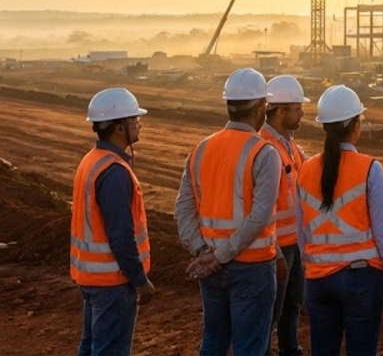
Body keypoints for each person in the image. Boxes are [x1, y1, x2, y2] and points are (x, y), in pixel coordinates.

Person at [175, 67, 281, 356]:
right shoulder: (264, 152)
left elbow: (182, 210)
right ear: (260, 107)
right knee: (250, 348)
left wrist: (203, 253)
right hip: (252, 268)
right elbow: (259, 217)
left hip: (211, 265)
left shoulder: (201, 149)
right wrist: (219, 257)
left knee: (213, 343)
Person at [296, 85, 383, 356]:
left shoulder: (306, 169)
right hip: (361, 279)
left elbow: (301, 231)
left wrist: (311, 269)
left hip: (318, 281)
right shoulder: (369, 168)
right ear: (355, 126)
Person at [72, 87, 156, 356]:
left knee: (91, 346)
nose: (139, 124)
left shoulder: (91, 161)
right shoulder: (115, 173)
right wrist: (139, 280)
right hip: (113, 283)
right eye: (134, 120)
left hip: (92, 278)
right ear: (120, 128)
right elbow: (121, 235)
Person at [260, 76, 309, 356]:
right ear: (280, 111)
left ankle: (290, 349)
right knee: (273, 308)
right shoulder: (266, 147)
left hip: (296, 241)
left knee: (293, 304)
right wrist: (276, 248)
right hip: (277, 245)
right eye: (297, 108)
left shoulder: (289, 144)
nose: (302, 112)